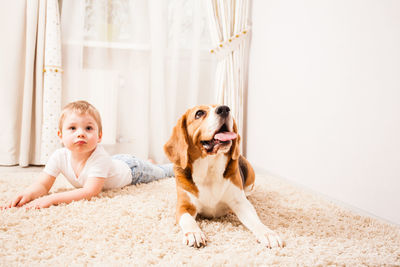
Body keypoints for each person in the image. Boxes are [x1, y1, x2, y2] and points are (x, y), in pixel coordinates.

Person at [7, 100, 174, 209]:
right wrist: (28, 194)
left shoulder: (100, 157)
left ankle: (153, 164)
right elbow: (43, 185)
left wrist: (51, 199)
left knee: (163, 172)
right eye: (72, 128)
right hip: (112, 164)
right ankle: (149, 162)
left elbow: (89, 192)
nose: (80, 133)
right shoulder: (59, 156)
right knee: (116, 165)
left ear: (99, 136)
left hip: (133, 169)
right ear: (60, 135)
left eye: (88, 128)